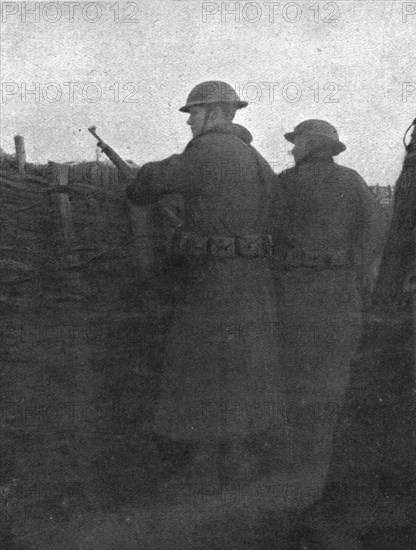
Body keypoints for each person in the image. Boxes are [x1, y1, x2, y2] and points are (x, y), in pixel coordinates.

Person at [126, 81, 286, 487]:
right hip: (254, 280)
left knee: (202, 370)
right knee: (245, 370)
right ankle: (240, 461)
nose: (190, 122)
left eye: (193, 113)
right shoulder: (256, 158)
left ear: (214, 112)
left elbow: (143, 188)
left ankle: (204, 466)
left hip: (214, 282)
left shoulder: (207, 150)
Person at [271, 119, 387, 481]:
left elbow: (264, 236)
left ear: (309, 145)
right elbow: (376, 233)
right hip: (340, 291)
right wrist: (353, 267)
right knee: (335, 372)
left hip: (294, 293)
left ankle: (296, 458)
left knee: (294, 371)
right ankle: (328, 456)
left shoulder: (283, 184)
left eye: (297, 142)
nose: (292, 149)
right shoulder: (352, 182)